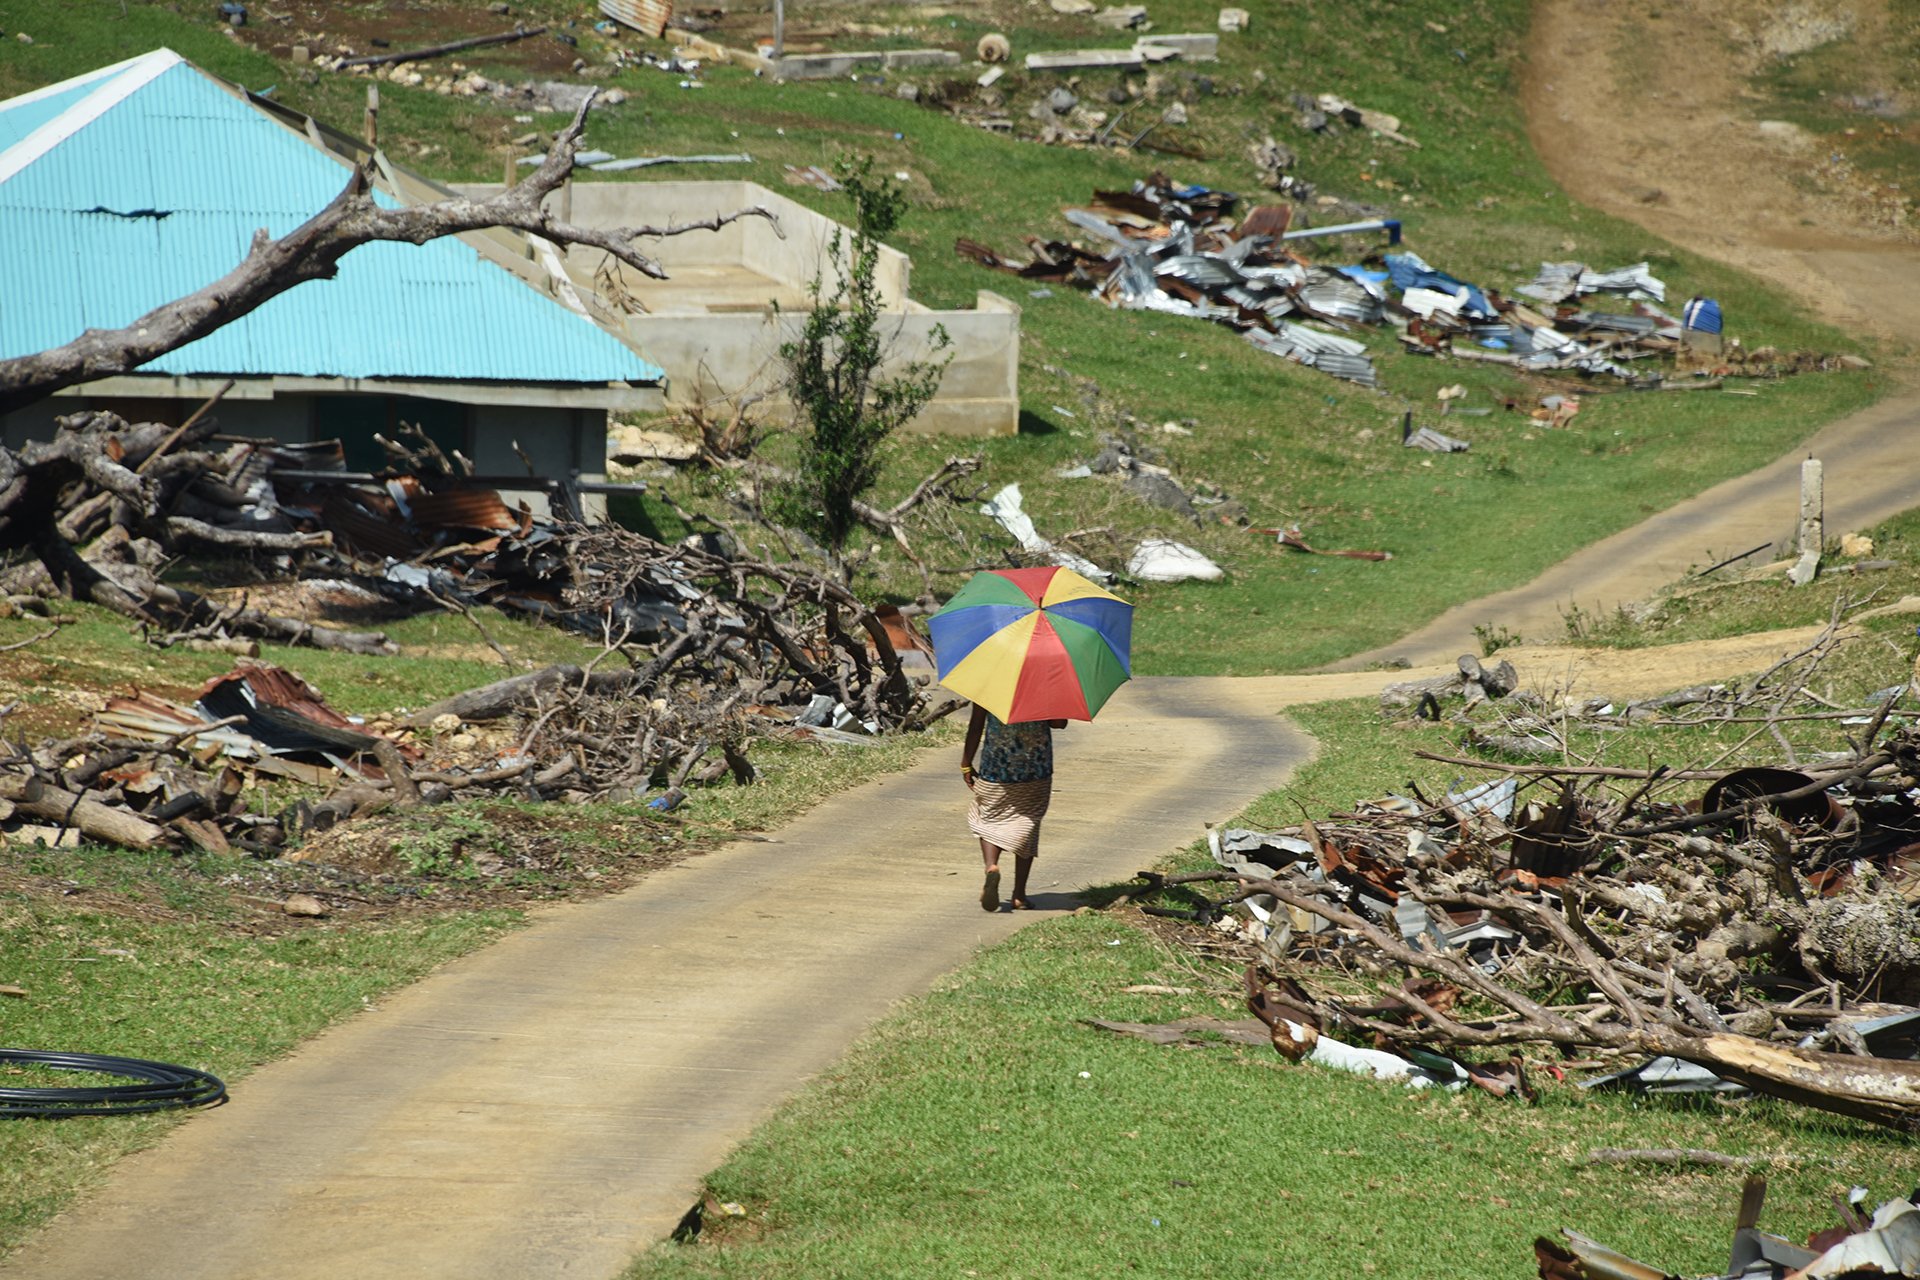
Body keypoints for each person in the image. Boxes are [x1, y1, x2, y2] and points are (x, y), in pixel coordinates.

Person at [960, 705, 1066, 912]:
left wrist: (966, 763)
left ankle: (991, 866)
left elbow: (976, 725)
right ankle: (1019, 895)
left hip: (995, 767)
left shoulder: (989, 687)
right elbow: (1059, 723)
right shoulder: (1046, 688)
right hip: (1036, 767)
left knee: (989, 818)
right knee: (1028, 822)